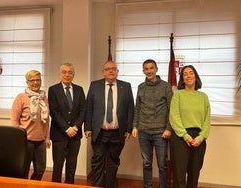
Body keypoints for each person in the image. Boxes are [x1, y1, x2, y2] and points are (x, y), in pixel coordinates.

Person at [84, 60, 134, 188]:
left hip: (117, 133)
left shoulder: (126, 86)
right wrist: (88, 127)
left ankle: (110, 184)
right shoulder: (95, 85)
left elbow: (130, 109)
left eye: (113, 68)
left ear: (117, 71)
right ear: (103, 72)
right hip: (99, 132)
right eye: (107, 69)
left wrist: (129, 129)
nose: (111, 71)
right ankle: (97, 185)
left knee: (113, 161)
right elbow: (88, 107)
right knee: (97, 161)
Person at [131, 59, 173, 188]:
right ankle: (147, 186)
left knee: (162, 164)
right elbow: (137, 107)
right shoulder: (141, 87)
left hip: (161, 133)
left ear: (156, 69)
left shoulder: (166, 86)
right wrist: (134, 126)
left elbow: (172, 109)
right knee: (147, 163)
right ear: (143, 71)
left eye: (151, 68)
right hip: (143, 132)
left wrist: (168, 128)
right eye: (146, 69)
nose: (149, 71)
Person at [169, 65, 211, 188]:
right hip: (180, 138)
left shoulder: (203, 96)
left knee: (194, 174)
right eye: (185, 74)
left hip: (199, 139)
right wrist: (185, 136)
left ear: (195, 76)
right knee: (180, 175)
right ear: (182, 78)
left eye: (191, 73)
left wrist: (201, 137)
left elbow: (207, 120)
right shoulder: (178, 95)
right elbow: (174, 117)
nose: (188, 76)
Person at [48, 63, 85, 184]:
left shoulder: (79, 89)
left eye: (70, 72)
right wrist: (67, 128)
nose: (67, 75)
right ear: (60, 74)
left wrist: (76, 127)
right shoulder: (53, 90)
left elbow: (83, 110)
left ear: (73, 75)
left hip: (75, 134)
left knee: (72, 164)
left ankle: (70, 185)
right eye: (64, 72)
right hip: (59, 134)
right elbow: (54, 111)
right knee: (58, 165)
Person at [11, 70, 50, 180]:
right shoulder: (21, 97)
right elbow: (14, 120)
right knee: (23, 170)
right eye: (32, 80)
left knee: (40, 170)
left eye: (38, 80)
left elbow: (47, 120)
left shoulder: (44, 97)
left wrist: (47, 137)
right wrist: (18, 138)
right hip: (25, 140)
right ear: (27, 82)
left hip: (41, 140)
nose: (35, 82)